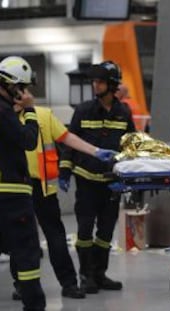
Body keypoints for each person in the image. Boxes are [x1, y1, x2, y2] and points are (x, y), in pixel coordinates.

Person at [10, 104, 118, 300]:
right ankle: (27, 285)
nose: (24, 94)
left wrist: (95, 151)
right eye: (20, 89)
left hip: (39, 188)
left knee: (52, 237)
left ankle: (66, 283)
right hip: (15, 188)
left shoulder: (42, 115)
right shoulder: (7, 115)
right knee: (23, 239)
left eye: (24, 89)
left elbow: (66, 137)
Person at [59, 61, 135, 294]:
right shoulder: (83, 110)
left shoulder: (123, 113)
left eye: (100, 81)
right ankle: (86, 275)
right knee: (84, 230)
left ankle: (100, 274)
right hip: (86, 180)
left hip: (112, 183)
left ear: (111, 85)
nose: (95, 85)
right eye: (94, 81)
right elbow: (69, 144)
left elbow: (132, 144)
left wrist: (130, 175)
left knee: (105, 232)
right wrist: (64, 171)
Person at [0, 56, 46, 310]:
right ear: (13, 86)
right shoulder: (4, 111)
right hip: (12, 195)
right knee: (27, 255)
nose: (26, 93)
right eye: (24, 88)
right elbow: (28, 141)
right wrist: (29, 111)